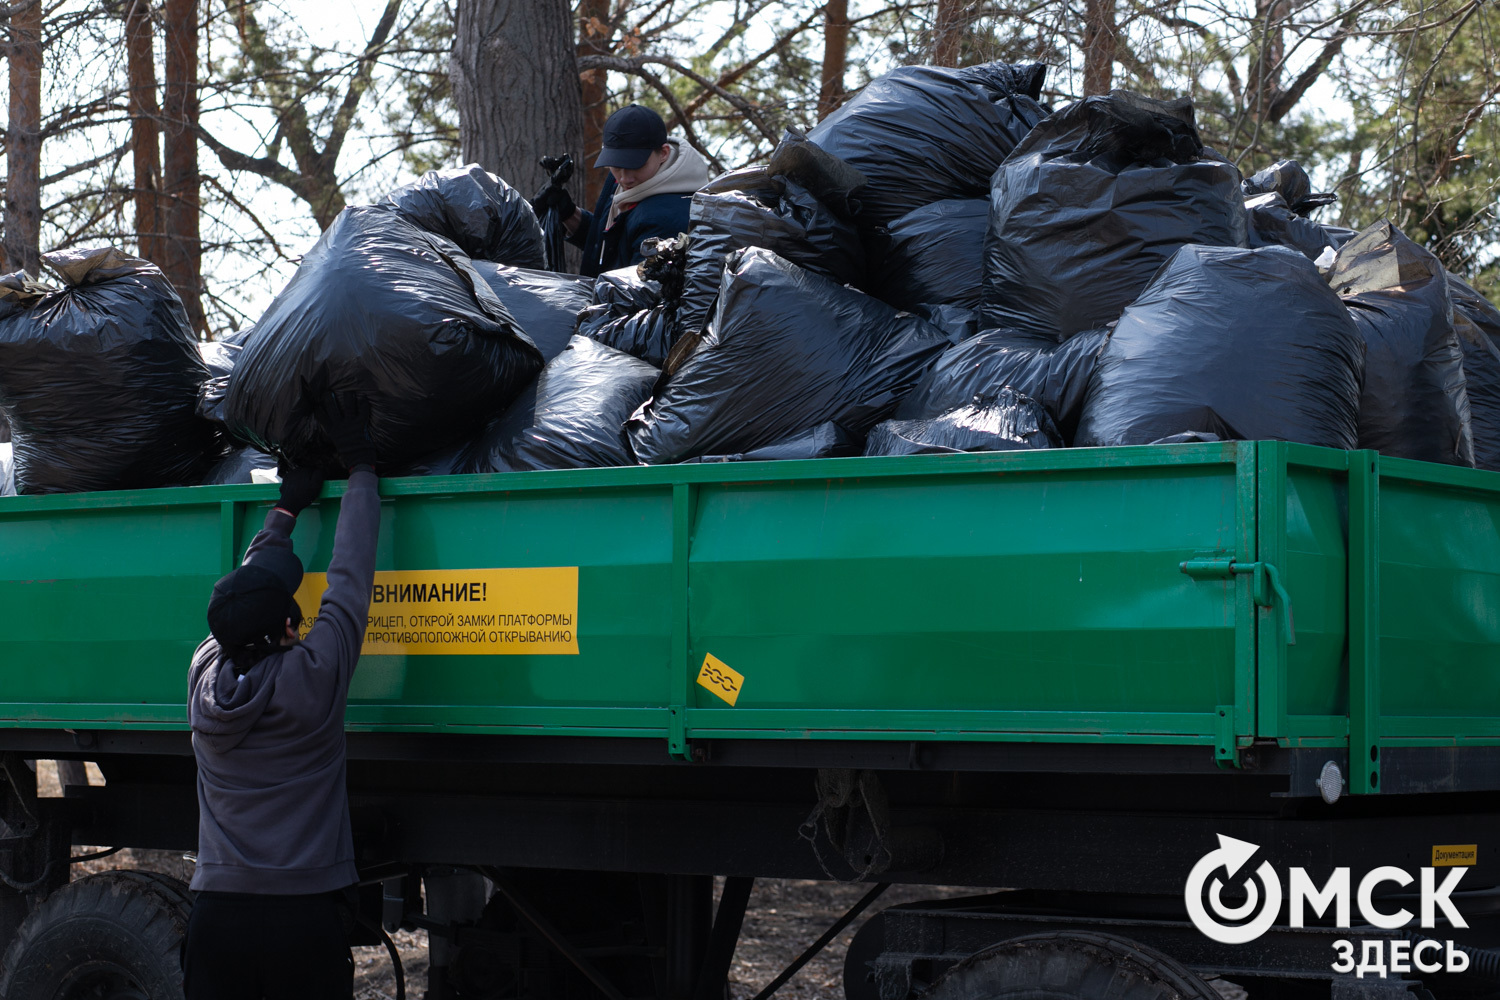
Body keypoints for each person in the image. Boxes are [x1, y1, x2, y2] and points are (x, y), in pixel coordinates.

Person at [183, 394, 380, 1000]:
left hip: (217, 919)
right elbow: (351, 572)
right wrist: (363, 468)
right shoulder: (312, 681)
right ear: (291, 629)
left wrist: (285, 509)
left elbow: (244, 605)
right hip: (304, 919)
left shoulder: (203, 675)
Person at [534, 104, 710, 278]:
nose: (625, 178)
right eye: (617, 166)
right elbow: (611, 245)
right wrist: (569, 213)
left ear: (663, 153)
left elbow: (635, 296)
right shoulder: (622, 181)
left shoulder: (668, 217)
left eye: (636, 165)